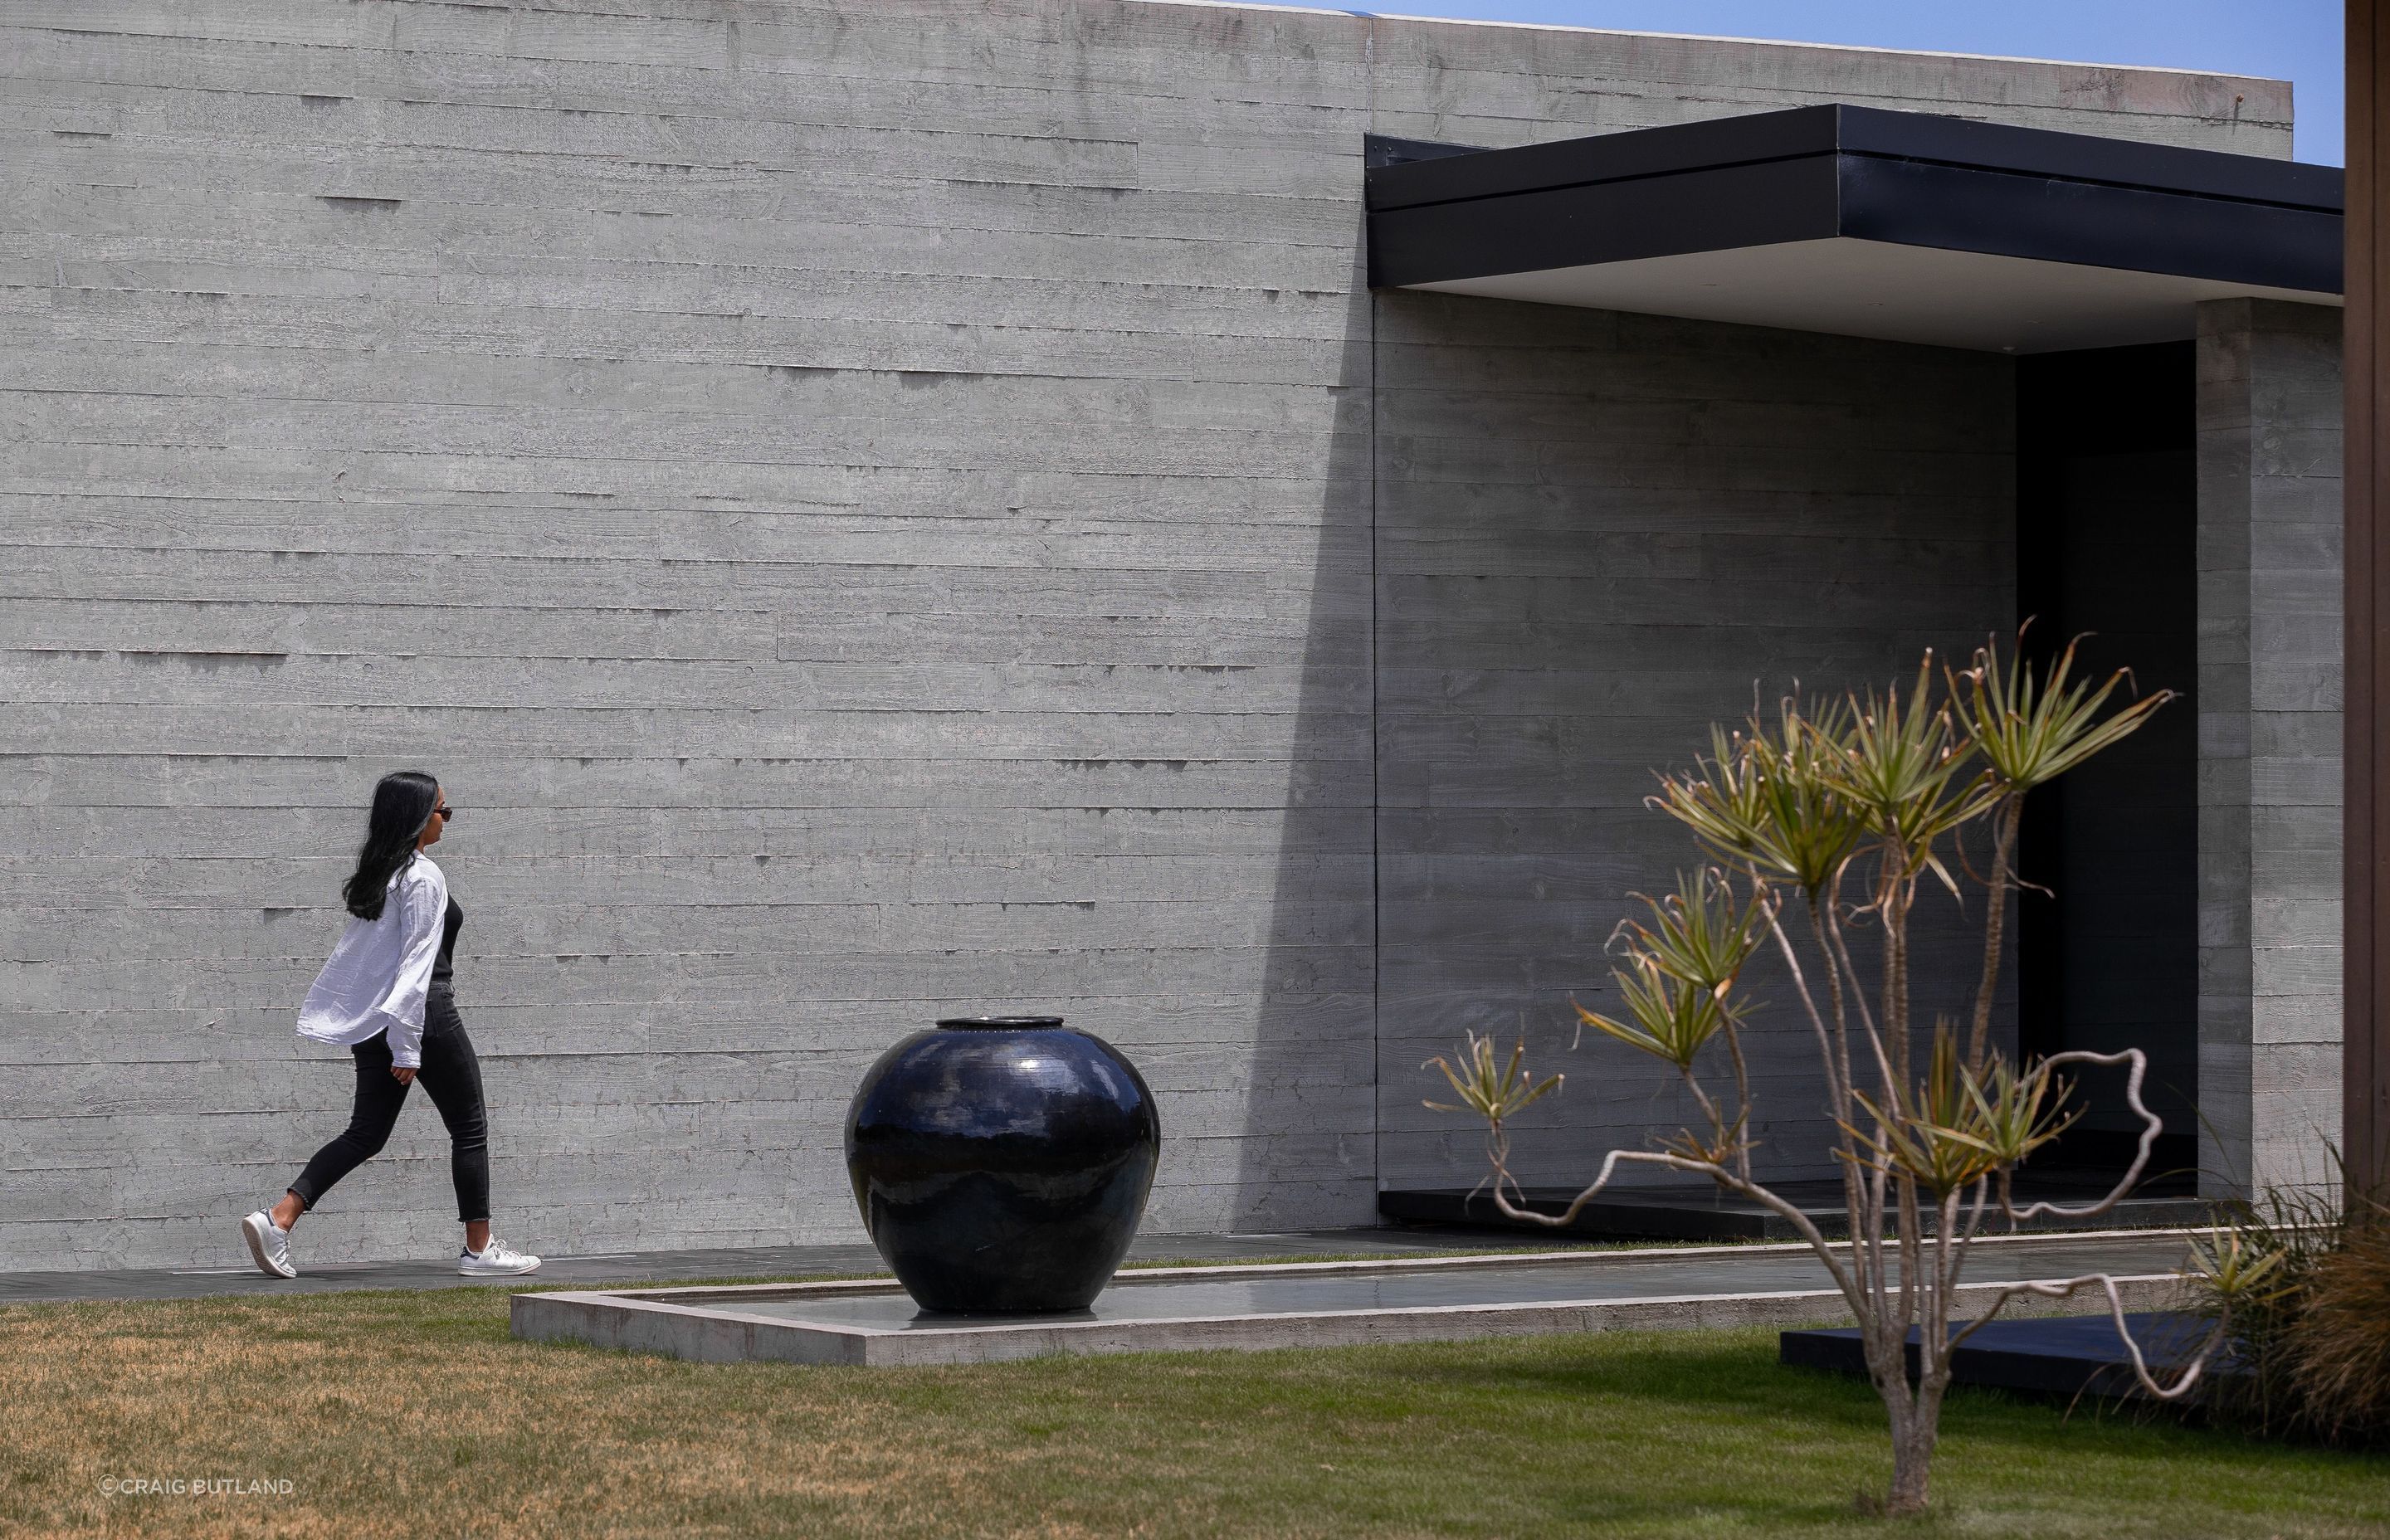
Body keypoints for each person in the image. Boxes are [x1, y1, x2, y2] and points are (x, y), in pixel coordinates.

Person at [239, 771, 540, 1279]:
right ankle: (480, 1250)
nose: (447, 819)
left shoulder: (383, 874)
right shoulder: (423, 876)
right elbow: (417, 962)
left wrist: (383, 1029)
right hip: (423, 1015)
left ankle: (278, 1219)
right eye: (443, 811)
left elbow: (358, 965)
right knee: (470, 1128)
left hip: (378, 1019)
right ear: (420, 817)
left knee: (365, 1133)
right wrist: (407, 1044)